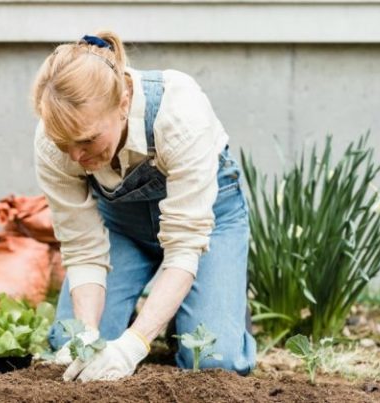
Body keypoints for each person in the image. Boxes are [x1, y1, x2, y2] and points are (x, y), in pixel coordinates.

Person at [30, 31, 257, 382]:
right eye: (65, 144)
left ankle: (205, 306)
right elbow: (83, 250)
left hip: (208, 226)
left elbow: (183, 247)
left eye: (88, 140)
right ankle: (164, 311)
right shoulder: (53, 141)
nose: (76, 156)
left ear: (123, 102)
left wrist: (134, 344)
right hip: (122, 229)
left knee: (213, 361)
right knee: (70, 344)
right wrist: (89, 336)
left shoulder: (179, 113)